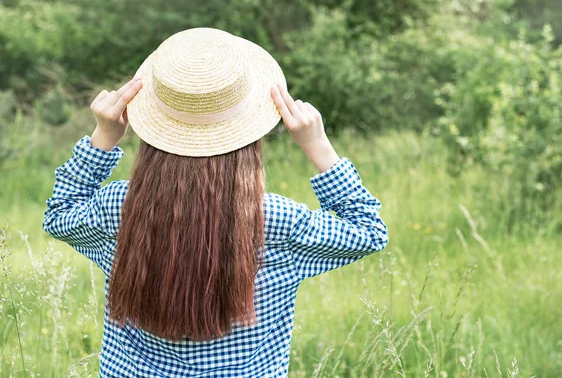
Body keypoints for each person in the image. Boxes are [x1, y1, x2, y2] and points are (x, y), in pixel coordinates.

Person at [42, 28, 389, 377]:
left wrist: (103, 136)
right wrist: (316, 144)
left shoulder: (120, 208)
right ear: (250, 132)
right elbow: (369, 231)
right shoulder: (276, 220)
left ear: (152, 124)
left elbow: (59, 213)